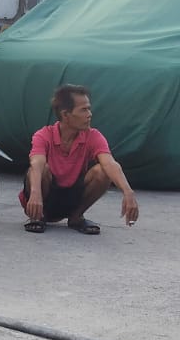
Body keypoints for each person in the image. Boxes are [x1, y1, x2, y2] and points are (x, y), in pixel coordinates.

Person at [21, 84, 140, 235]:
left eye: (89, 109)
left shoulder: (93, 136)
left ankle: (76, 217)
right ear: (66, 115)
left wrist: (128, 192)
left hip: (72, 197)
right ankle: (38, 217)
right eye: (84, 110)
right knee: (40, 169)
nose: (89, 114)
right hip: (42, 198)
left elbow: (109, 163)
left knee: (102, 172)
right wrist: (35, 193)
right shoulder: (43, 135)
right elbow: (36, 163)